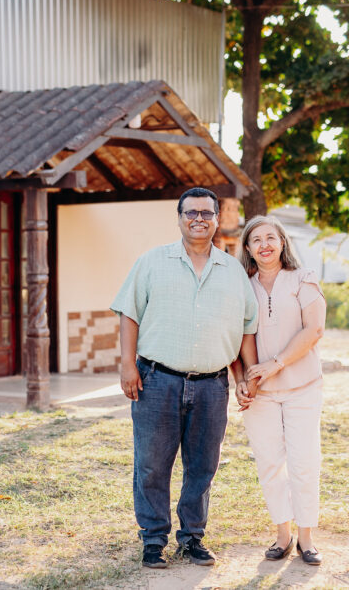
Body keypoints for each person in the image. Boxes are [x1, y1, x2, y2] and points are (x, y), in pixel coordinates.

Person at [110, 187, 259, 569]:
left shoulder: (233, 272)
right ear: (179, 218)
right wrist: (128, 364)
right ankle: (153, 540)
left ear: (217, 219)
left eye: (206, 213)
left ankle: (192, 539)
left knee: (203, 466)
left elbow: (246, 328)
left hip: (212, 385)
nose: (198, 219)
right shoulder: (152, 262)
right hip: (157, 380)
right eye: (191, 212)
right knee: (152, 465)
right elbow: (129, 313)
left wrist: (245, 375)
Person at [233, 215, 327, 565]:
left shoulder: (303, 279)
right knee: (270, 464)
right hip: (261, 395)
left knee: (304, 461)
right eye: (256, 240)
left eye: (271, 238)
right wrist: (242, 381)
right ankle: (282, 535)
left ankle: (306, 538)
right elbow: (237, 338)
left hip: (302, 387)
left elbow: (314, 329)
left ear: (283, 243)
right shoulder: (242, 285)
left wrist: (276, 364)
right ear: (247, 248)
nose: (264, 245)